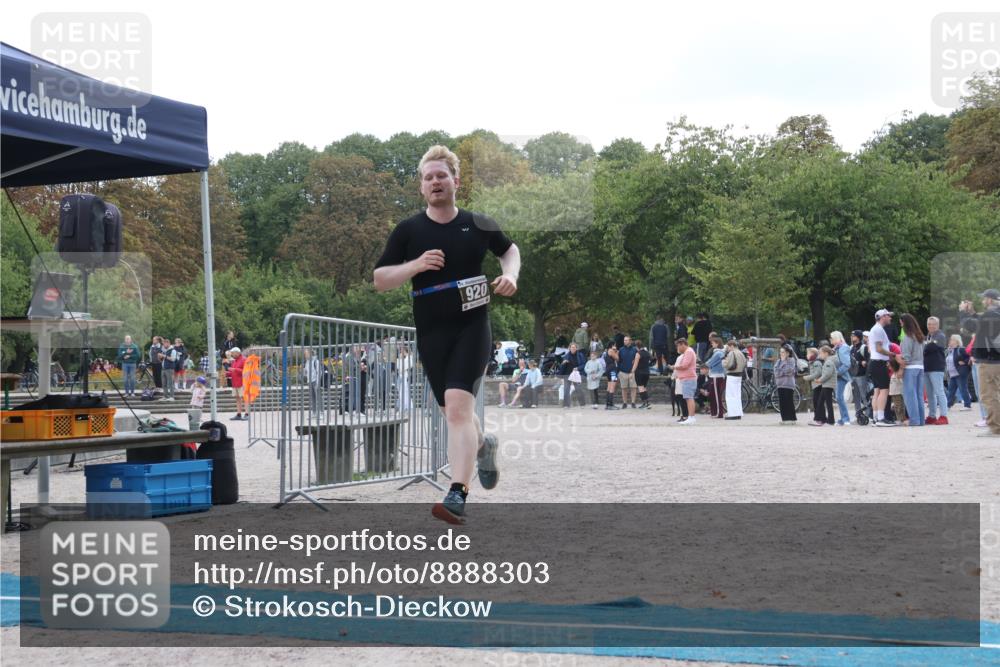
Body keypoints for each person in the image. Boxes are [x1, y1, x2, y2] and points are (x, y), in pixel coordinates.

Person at [373, 145, 521, 524]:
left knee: (457, 407)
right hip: (431, 331)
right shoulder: (409, 230)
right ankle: (485, 445)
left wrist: (510, 275)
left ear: (455, 181)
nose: (435, 181)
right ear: (422, 188)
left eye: (442, 175)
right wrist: (415, 265)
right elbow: (380, 280)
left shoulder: (479, 223)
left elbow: (510, 250)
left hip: (472, 325)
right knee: (454, 413)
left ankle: (457, 492)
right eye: (428, 177)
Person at [960, 290, 1000, 437]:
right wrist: (973, 313)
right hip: (996, 361)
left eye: (984, 299)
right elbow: (981, 323)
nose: (982, 301)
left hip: (989, 362)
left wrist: (963, 313)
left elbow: (971, 326)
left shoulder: (991, 314)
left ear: (989, 300)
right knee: (995, 394)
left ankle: (995, 428)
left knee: (988, 395)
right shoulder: (996, 314)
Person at [868, 309, 895, 427]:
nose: (890, 318)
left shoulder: (875, 329)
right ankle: (881, 418)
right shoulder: (878, 329)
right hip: (879, 363)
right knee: (884, 390)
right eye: (888, 316)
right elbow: (879, 348)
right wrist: (891, 354)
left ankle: (875, 417)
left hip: (875, 362)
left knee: (877, 391)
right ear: (882, 317)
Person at [897, 313, 926, 427]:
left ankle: (914, 420)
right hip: (920, 367)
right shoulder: (919, 336)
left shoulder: (907, 337)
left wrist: (900, 369)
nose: (900, 325)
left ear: (904, 323)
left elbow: (906, 357)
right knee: (918, 395)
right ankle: (920, 420)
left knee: (910, 395)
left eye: (901, 323)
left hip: (910, 368)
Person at [923, 316, 949, 425]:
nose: (931, 326)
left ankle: (944, 416)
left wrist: (926, 345)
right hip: (926, 367)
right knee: (930, 394)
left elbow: (929, 348)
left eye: (933, 324)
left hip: (937, 367)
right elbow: (926, 347)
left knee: (939, 392)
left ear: (938, 325)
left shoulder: (941, 336)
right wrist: (928, 344)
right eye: (929, 324)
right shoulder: (928, 336)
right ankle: (932, 415)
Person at [673, 338, 698, 424]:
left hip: (689, 378)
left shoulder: (689, 352)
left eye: (678, 346)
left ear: (682, 344)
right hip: (687, 378)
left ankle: (691, 417)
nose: (678, 348)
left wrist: (674, 367)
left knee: (689, 398)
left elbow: (684, 365)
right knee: (688, 398)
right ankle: (690, 417)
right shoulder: (689, 351)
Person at [810, 346, 837, 426]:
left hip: (828, 385)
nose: (819, 355)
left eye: (821, 353)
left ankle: (827, 420)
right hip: (826, 385)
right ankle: (821, 419)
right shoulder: (827, 361)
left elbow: (827, 374)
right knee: (822, 402)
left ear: (826, 353)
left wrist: (819, 380)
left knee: (823, 403)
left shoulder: (828, 362)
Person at [829, 331, 852, 425]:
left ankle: (846, 419)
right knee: (839, 398)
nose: (830, 340)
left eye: (832, 338)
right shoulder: (837, 348)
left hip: (842, 376)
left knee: (839, 397)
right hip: (839, 376)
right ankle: (843, 419)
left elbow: (847, 364)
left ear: (836, 338)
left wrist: (837, 373)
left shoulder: (842, 348)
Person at [945, 334, 973, 410]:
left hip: (960, 373)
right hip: (952, 374)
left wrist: (964, 362)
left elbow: (970, 357)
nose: (950, 341)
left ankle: (967, 405)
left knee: (963, 388)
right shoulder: (950, 350)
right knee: (951, 390)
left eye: (951, 340)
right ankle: (948, 405)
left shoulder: (961, 349)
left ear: (956, 341)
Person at [774, 345, 798, 424]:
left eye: (783, 352)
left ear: (788, 353)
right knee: (782, 402)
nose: (781, 354)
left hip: (788, 384)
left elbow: (789, 371)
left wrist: (781, 371)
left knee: (789, 401)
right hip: (780, 384)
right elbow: (776, 373)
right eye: (780, 352)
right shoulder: (778, 361)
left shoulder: (791, 360)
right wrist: (782, 371)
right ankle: (784, 419)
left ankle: (792, 419)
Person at [722, 339, 746, 420]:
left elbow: (728, 364)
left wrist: (723, 361)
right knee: (737, 395)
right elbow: (745, 362)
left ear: (731, 345)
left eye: (728, 347)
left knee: (730, 395)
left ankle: (732, 414)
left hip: (732, 375)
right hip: (739, 375)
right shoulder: (740, 352)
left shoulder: (732, 353)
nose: (728, 349)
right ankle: (738, 413)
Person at [848, 330, 869, 421]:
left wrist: (860, 362)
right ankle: (858, 415)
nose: (852, 337)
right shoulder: (851, 348)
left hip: (862, 375)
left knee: (864, 396)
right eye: (851, 335)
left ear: (858, 337)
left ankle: (868, 415)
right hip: (853, 375)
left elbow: (868, 361)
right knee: (855, 397)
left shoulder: (864, 347)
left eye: (854, 335)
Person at [560, 343, 587, 408]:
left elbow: (584, 365)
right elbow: (562, 366)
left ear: (576, 348)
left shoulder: (580, 355)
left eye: (574, 347)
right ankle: (566, 405)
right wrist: (563, 363)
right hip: (567, 374)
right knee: (566, 389)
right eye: (572, 347)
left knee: (578, 389)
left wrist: (577, 368)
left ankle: (582, 404)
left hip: (576, 374)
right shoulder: (566, 355)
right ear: (569, 348)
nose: (573, 348)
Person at [705, 335, 727, 418]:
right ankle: (715, 412)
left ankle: (719, 413)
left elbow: (710, 362)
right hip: (718, 375)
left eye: (713, 343)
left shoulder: (718, 353)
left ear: (717, 343)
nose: (712, 344)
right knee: (715, 395)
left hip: (716, 376)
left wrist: (702, 364)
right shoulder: (720, 352)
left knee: (716, 396)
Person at [616, 336, 639, 409]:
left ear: (630, 341)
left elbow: (636, 359)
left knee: (633, 388)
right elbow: (618, 360)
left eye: (626, 340)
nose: (625, 341)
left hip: (632, 372)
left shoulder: (634, 350)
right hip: (623, 372)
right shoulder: (621, 350)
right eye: (624, 340)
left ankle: (633, 402)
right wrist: (619, 370)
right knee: (624, 388)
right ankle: (624, 403)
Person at [302, 348, 324, 421]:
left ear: (310, 353)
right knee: (313, 398)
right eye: (305, 354)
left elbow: (319, 372)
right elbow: (306, 372)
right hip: (310, 381)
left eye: (306, 353)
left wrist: (317, 382)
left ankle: (321, 413)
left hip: (315, 381)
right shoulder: (307, 362)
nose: (305, 355)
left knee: (318, 397)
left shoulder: (316, 361)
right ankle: (314, 412)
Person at [227, 347, 247, 420]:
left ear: (237, 353)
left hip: (242, 382)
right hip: (235, 383)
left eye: (233, 353)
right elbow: (233, 372)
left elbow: (246, 371)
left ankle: (247, 414)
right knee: (237, 398)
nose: (232, 354)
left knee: (245, 398)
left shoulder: (244, 359)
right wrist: (227, 373)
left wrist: (234, 369)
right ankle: (239, 414)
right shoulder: (234, 361)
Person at [634, 339, 652, 409]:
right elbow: (652, 360)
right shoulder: (647, 353)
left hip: (639, 373)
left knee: (640, 388)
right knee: (644, 387)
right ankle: (648, 402)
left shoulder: (638, 353)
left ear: (636, 347)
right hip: (647, 372)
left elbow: (635, 364)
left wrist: (632, 371)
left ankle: (645, 403)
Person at [602, 343, 620, 410]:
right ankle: (610, 405)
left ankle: (607, 404)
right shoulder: (611, 350)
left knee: (609, 387)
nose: (615, 346)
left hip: (608, 369)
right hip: (612, 370)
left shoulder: (607, 351)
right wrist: (616, 352)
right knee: (612, 387)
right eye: (614, 345)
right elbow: (617, 358)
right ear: (612, 345)